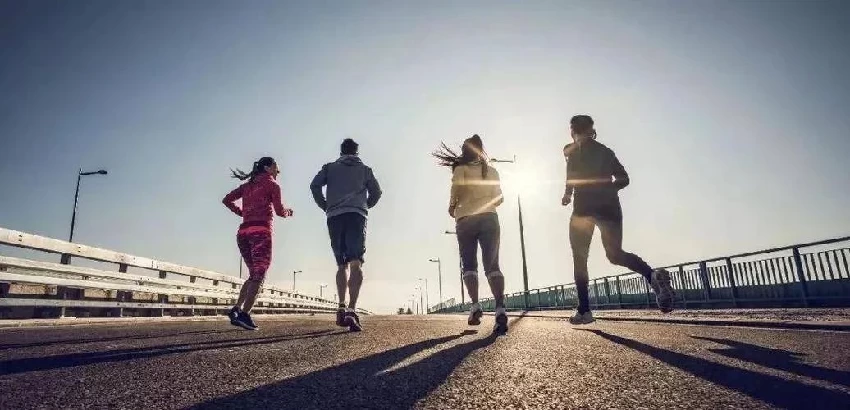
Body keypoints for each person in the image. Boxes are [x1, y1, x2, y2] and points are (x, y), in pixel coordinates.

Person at [562, 115, 675, 325]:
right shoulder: (606, 151)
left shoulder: (573, 153)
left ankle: (585, 311)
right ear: (591, 130)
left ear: (573, 131)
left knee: (580, 259)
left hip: (583, 211)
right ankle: (652, 275)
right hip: (610, 208)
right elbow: (624, 178)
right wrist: (608, 189)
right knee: (615, 255)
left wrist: (568, 195)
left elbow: (571, 179)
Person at [433, 134, 509, 334]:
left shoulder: (460, 170)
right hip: (489, 219)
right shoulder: (491, 171)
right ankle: (500, 308)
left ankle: (475, 306)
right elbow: (500, 198)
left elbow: (455, 191)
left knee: (469, 265)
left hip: (466, 219)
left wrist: (452, 208)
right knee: (493, 265)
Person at [310, 138, 382, 332]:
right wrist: (366, 204)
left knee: (341, 264)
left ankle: (340, 307)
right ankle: (351, 309)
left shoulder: (329, 168)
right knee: (356, 262)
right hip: (356, 216)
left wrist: (325, 205)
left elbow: (314, 186)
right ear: (357, 152)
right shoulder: (365, 170)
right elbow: (377, 192)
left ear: (341, 152)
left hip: (334, 216)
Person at [222, 157, 293, 330]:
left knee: (253, 274)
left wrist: (243, 213)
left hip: (243, 233)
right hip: (260, 233)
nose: (278, 171)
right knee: (259, 276)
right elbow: (279, 211)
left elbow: (226, 200)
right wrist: (289, 212)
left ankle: (236, 309)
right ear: (268, 168)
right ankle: (245, 315)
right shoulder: (272, 185)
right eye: (277, 167)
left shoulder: (247, 186)